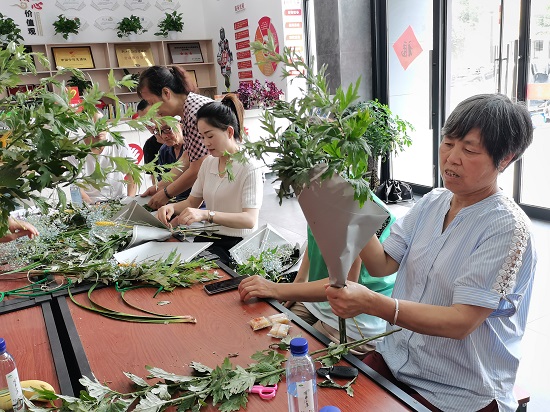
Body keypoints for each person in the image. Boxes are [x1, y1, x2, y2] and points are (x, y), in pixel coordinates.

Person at [326, 94, 536, 412]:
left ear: (505, 159)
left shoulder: (506, 227)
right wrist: (354, 210)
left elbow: (460, 322)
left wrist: (371, 303)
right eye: (448, 143)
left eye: (469, 150)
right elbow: (382, 264)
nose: (452, 158)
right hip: (397, 361)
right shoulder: (432, 202)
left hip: (458, 391)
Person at [239, 198, 396, 358]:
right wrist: (296, 285)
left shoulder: (359, 207)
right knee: (264, 340)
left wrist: (275, 288)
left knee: (292, 359)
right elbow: (315, 240)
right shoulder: (318, 195)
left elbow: (343, 286)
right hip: (318, 300)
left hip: (351, 318)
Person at [156, 93, 263, 263]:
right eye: (202, 137)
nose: (206, 143)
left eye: (210, 136)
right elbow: (192, 202)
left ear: (229, 132)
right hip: (210, 238)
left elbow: (249, 220)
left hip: (238, 245)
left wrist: (206, 214)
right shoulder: (209, 163)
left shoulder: (249, 167)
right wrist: (170, 207)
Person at [137, 66, 213, 209]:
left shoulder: (194, 112)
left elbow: (198, 167)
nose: (154, 111)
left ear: (166, 93)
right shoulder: (189, 109)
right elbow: (188, 157)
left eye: (152, 103)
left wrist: (166, 193)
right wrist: (160, 186)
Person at [74, 111, 136, 204]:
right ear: (84, 128)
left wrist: (130, 200)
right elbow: (76, 185)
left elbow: (132, 173)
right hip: (91, 203)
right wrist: (91, 205)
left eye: (102, 123)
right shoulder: (76, 150)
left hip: (119, 200)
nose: (99, 129)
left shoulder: (118, 142)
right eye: (93, 126)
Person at [137, 99, 164, 185]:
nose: (148, 123)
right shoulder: (149, 145)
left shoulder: (180, 136)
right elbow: (154, 178)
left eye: (150, 118)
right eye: (144, 120)